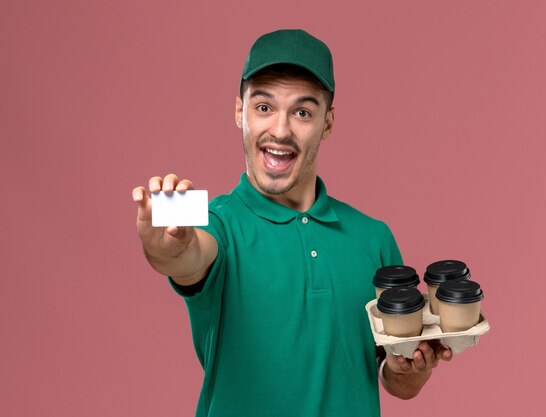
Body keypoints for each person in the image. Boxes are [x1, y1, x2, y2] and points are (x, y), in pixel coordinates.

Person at [132, 29, 452, 417]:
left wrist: (411, 370)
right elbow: (188, 255)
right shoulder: (218, 222)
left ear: (328, 122)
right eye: (264, 107)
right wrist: (165, 247)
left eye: (302, 112)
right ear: (239, 112)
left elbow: (392, 378)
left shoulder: (374, 239)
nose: (280, 131)